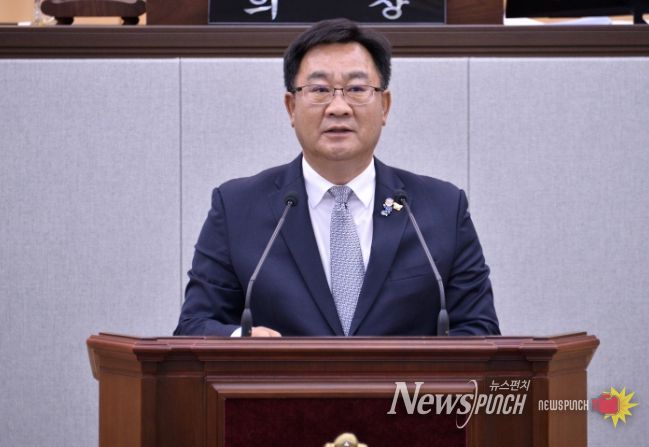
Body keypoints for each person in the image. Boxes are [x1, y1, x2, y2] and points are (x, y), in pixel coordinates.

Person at [173, 18, 499, 337]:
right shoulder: (236, 207)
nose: (338, 107)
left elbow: (479, 329)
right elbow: (194, 325)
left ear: (384, 106)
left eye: (356, 89)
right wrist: (243, 342)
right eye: (319, 90)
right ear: (291, 107)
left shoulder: (442, 208)